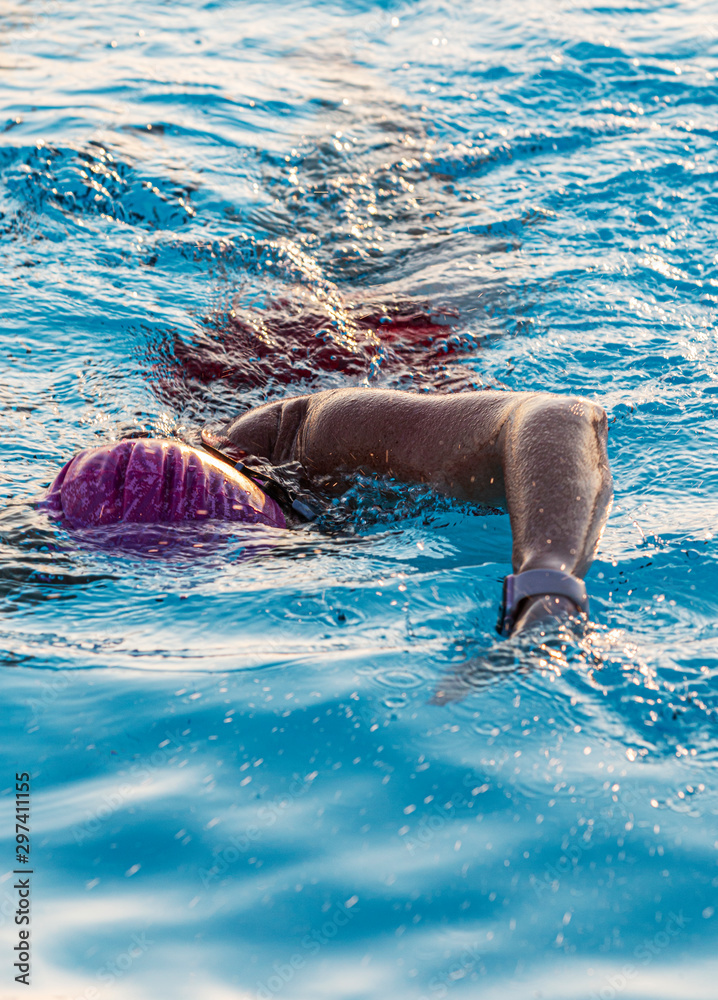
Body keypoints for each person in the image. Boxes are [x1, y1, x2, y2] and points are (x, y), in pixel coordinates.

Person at [43, 387, 613, 636]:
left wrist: (549, 579)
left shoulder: (317, 443)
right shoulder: (63, 524)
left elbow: (557, 415)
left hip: (391, 329)